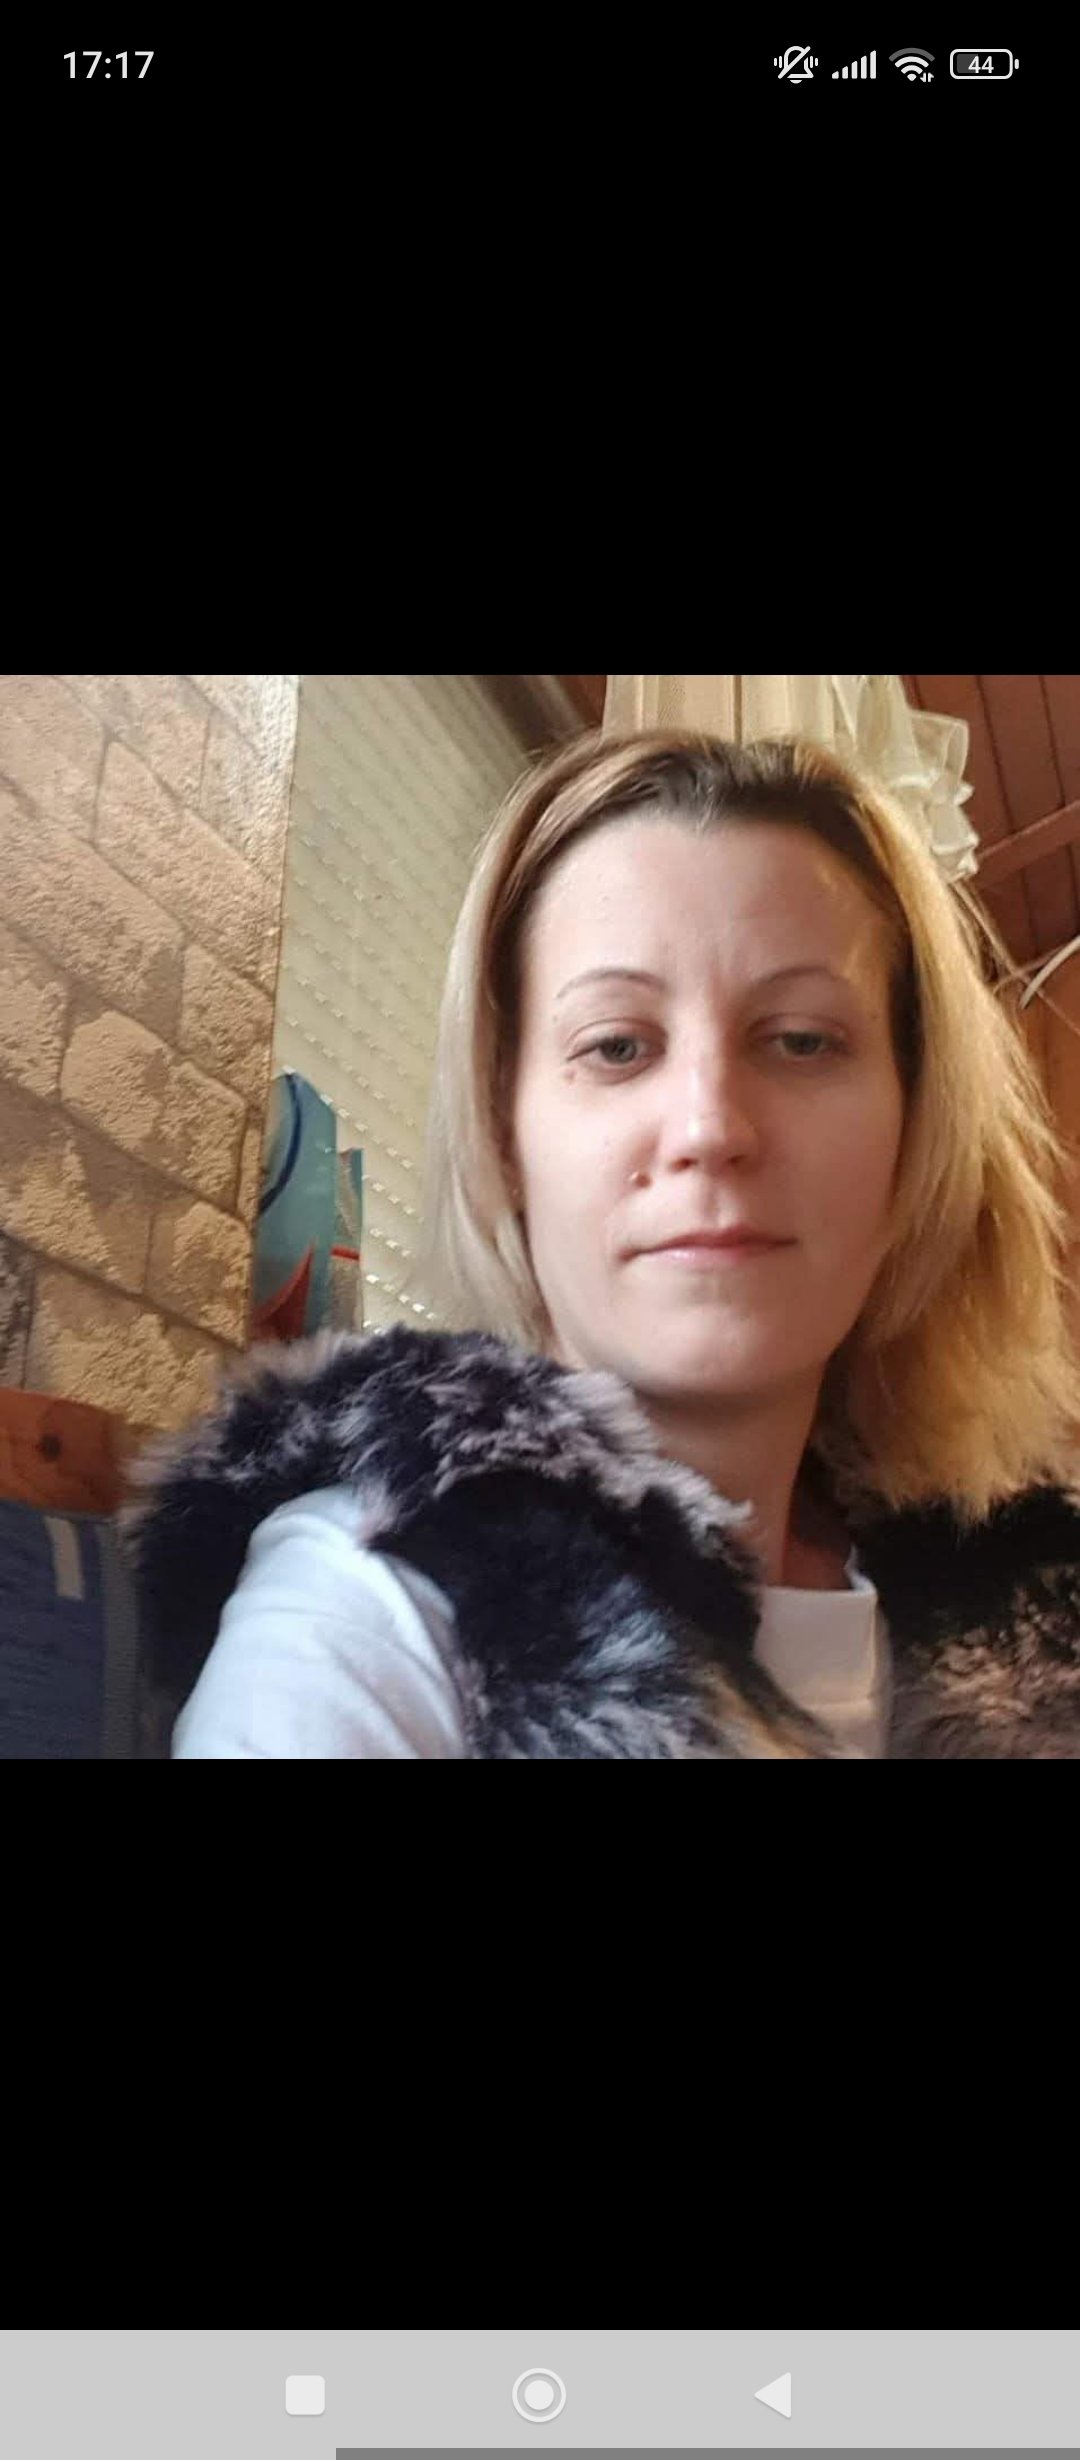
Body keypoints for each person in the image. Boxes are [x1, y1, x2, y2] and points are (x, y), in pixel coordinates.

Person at [120, 729, 1080, 1757]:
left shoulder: (1039, 1608)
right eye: (617, 1046)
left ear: (916, 1127)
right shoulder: (368, 1611)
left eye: (802, 1040)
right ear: (505, 1134)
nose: (710, 1127)